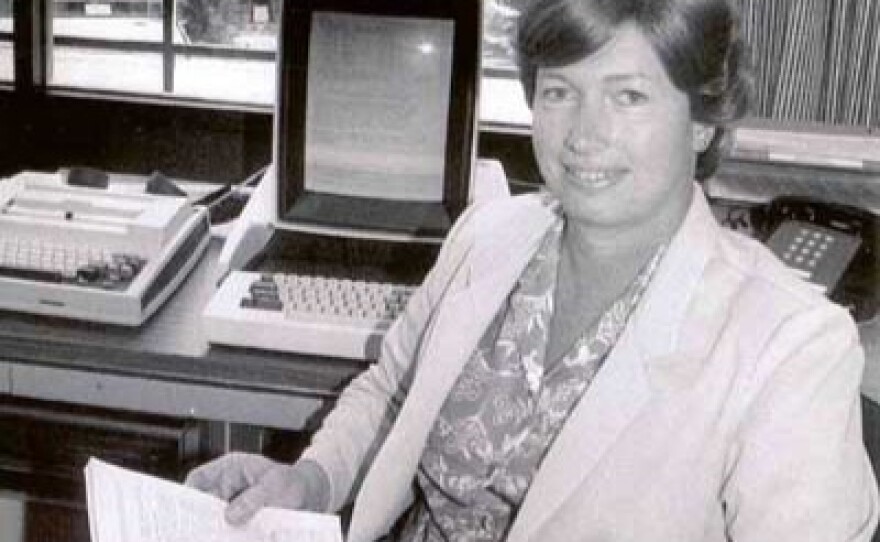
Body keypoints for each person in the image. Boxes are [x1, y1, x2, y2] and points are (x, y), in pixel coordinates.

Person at [187, 0, 880, 539]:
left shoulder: (791, 344)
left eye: (628, 95)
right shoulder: (490, 234)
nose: (584, 133)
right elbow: (391, 390)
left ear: (702, 120)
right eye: (559, 92)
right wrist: (310, 483)